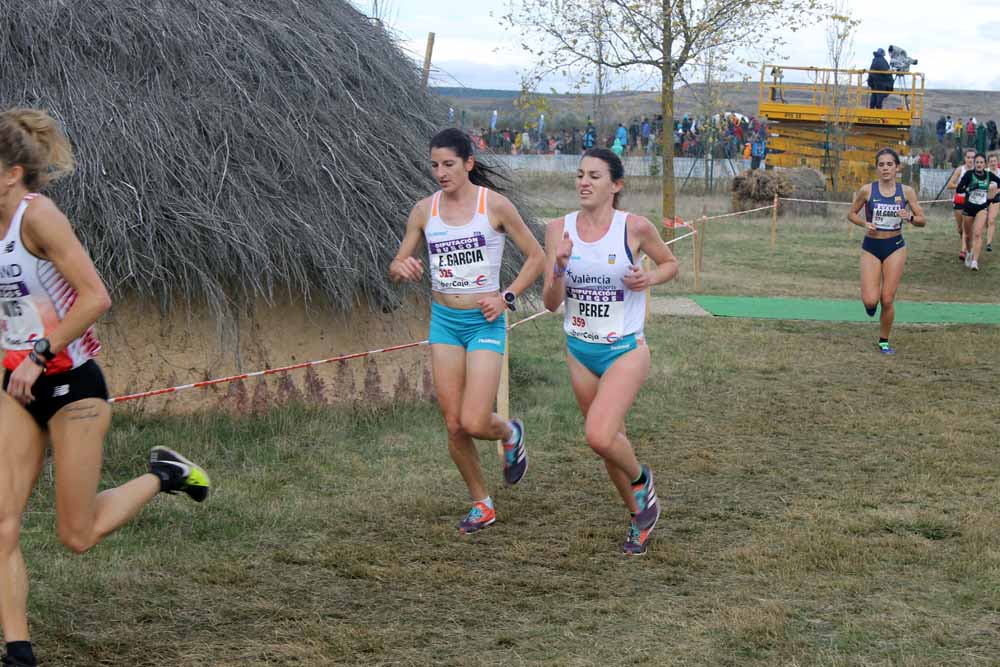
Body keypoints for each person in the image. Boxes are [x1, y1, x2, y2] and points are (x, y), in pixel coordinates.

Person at [0, 109, 211, 667]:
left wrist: (39, 355)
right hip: (14, 388)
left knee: (77, 534)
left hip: (72, 386)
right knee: (2, 522)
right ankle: (18, 652)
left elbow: (95, 297)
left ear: (10, 173)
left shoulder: (39, 217)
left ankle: (164, 475)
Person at [389, 128, 544, 534]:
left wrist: (507, 297)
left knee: (476, 420)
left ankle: (509, 432)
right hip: (444, 321)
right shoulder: (424, 211)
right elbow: (397, 264)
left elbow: (536, 257)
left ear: (468, 163)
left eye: (449, 164)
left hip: (484, 321)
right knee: (454, 424)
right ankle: (482, 503)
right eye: (435, 165)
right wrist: (401, 268)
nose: (440, 172)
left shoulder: (494, 205)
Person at [541, 148, 679, 556]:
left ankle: (642, 480)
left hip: (624, 349)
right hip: (579, 350)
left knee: (599, 435)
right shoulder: (557, 230)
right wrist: (559, 267)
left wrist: (647, 277)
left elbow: (671, 263)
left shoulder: (634, 227)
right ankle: (640, 517)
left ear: (615, 185)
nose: (584, 182)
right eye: (580, 174)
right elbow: (551, 302)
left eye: (595, 176)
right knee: (608, 442)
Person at [847, 147, 926, 355]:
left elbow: (922, 220)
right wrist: (864, 223)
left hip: (895, 247)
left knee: (888, 299)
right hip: (871, 247)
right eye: (881, 164)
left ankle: (884, 340)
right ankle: (870, 306)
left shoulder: (907, 191)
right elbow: (851, 214)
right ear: (877, 168)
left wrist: (908, 217)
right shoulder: (867, 190)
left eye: (889, 164)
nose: (885, 168)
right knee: (871, 300)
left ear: (897, 167)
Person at [956, 152, 1000, 270]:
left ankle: (975, 261)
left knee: (978, 233)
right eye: (977, 162)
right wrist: (970, 188)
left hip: (982, 208)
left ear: (984, 164)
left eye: (981, 162)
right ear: (974, 164)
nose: (979, 164)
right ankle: (969, 253)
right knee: (968, 236)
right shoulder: (969, 174)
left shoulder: (989, 175)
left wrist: (993, 192)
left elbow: (998, 183)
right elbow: (959, 189)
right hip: (969, 208)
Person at [946, 148, 976, 261]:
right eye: (968, 157)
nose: (970, 160)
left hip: (972, 202)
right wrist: (962, 187)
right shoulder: (960, 170)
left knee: (966, 226)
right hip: (959, 201)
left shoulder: (979, 171)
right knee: (960, 229)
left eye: (973, 157)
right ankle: (966, 245)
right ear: (965, 158)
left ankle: (964, 250)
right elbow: (949, 185)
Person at [987, 153, 999, 253]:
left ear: (997, 162)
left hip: (996, 197)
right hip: (984, 197)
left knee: (991, 219)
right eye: (991, 162)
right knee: (985, 220)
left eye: (994, 161)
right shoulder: (985, 173)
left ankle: (989, 243)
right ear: (988, 163)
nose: (993, 163)